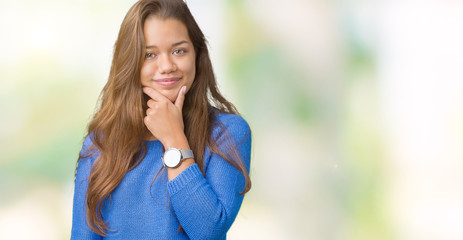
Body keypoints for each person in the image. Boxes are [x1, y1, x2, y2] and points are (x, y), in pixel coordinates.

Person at [70, 0, 252, 239]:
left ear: (197, 55)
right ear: (130, 62)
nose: (166, 66)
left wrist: (174, 139)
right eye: (149, 54)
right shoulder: (99, 144)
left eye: (179, 51)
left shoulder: (227, 133)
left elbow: (208, 231)